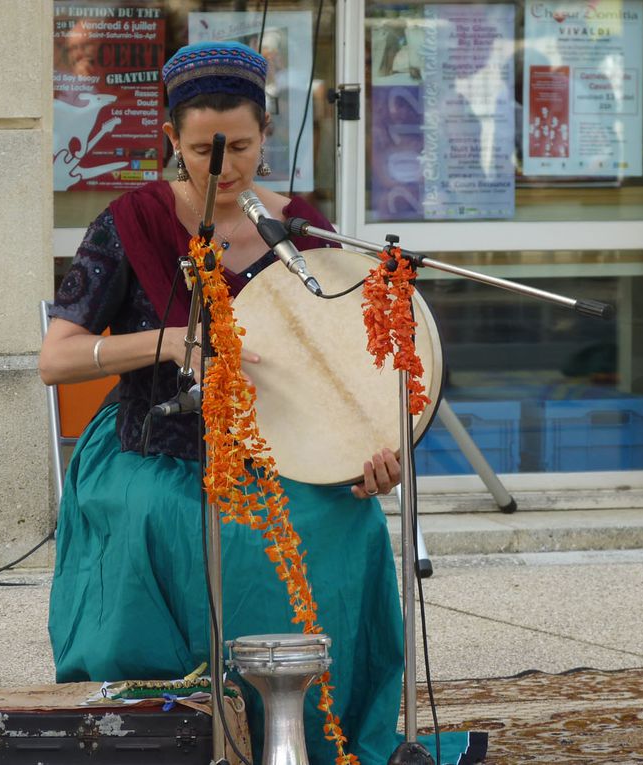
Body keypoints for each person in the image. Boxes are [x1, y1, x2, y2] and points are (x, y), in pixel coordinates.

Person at [39, 42, 407, 764]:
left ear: (266, 133)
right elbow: (54, 358)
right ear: (173, 141)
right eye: (205, 149)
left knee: (345, 520)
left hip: (282, 455)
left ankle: (305, 734)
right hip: (155, 450)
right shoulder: (131, 221)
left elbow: (347, 367)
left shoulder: (301, 228)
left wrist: (372, 450)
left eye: (241, 145)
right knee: (166, 517)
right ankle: (155, 732)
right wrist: (169, 341)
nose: (226, 165)